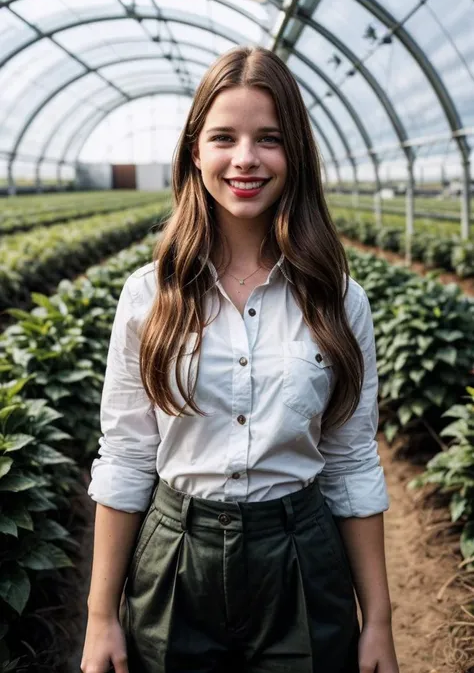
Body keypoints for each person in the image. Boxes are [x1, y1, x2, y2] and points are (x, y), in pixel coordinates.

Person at [81, 45, 399, 673]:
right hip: (175, 558)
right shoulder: (149, 294)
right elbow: (125, 455)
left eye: (269, 139)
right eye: (224, 137)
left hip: (302, 557)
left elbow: (351, 458)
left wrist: (379, 622)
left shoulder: (338, 300)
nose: (246, 159)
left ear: (296, 156)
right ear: (195, 152)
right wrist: (99, 617)